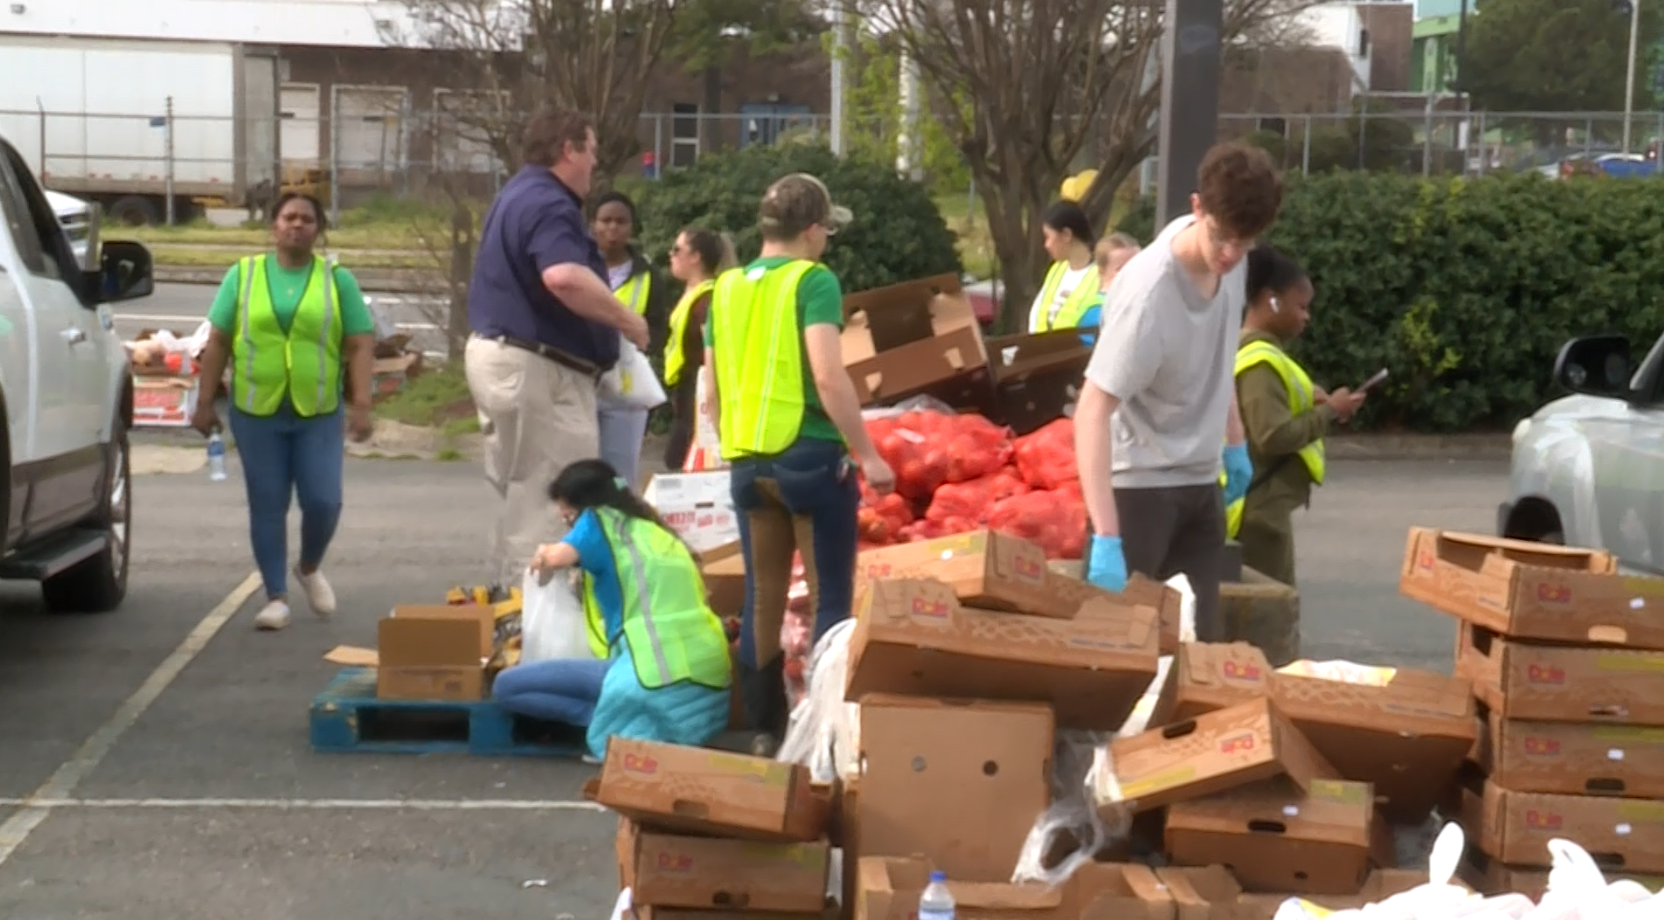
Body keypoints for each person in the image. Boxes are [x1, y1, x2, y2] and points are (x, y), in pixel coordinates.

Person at [703, 173, 896, 754]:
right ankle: (823, 735)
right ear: (812, 230)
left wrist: (733, 442)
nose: (828, 242)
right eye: (827, 231)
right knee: (828, 598)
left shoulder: (726, 289)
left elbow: (709, 392)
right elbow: (827, 374)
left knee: (761, 596)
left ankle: (765, 732)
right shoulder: (814, 282)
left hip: (747, 465)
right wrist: (868, 454)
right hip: (811, 459)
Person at [1074, 142, 1284, 642]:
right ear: (1197, 208)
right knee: (1123, 651)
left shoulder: (1231, 267)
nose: (1230, 254)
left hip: (1199, 482)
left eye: (1245, 242)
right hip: (1137, 489)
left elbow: (1219, 355)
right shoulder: (1148, 296)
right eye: (1221, 238)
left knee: (1198, 651)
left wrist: (1234, 442)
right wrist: (1107, 534)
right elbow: (1091, 410)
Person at [463, 106, 650, 589]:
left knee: (518, 491)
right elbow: (563, 276)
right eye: (590, 151)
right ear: (568, 149)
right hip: (538, 365)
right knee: (556, 495)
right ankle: (541, 622)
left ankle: (511, 602)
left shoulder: (516, 194)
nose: (594, 164)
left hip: (503, 354)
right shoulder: (549, 203)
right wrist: (626, 319)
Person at [190, 192, 377, 631]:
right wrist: (203, 403)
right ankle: (276, 596)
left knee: (323, 501)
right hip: (257, 410)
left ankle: (308, 566)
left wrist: (363, 405)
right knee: (268, 503)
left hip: (317, 409)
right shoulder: (244, 274)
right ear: (273, 226)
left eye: (307, 219)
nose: (297, 225)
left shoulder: (337, 279)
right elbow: (217, 341)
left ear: (319, 228)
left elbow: (360, 343)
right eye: (288, 217)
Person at [495, 460, 732, 762]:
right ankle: (633, 717)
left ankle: (609, 721)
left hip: (648, 674)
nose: (562, 516)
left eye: (565, 510)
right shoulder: (654, 531)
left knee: (508, 686)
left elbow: (554, 559)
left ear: (582, 505)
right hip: (704, 689)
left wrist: (542, 552)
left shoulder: (598, 522)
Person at [1227, 245, 1366, 592]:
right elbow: (1271, 435)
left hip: (1259, 508)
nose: (1306, 318)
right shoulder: (1261, 359)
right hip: (1259, 515)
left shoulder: (1254, 351)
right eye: (1301, 306)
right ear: (1271, 300)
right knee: (1269, 609)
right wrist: (1330, 411)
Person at [591, 191, 673, 490]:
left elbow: (658, 328)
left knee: (619, 474)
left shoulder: (647, 275)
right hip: (581, 378)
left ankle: (616, 531)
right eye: (606, 221)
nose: (613, 228)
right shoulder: (579, 266)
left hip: (625, 386)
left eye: (621, 221)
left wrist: (637, 342)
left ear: (631, 227)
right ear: (593, 225)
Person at [661, 227, 737, 471]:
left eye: (677, 249)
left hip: (701, 391)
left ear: (695, 257)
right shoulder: (693, 294)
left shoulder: (707, 298)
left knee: (684, 460)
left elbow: (716, 349)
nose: (670, 255)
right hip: (686, 389)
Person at [1027, 201, 1100, 333]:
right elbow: (1036, 315)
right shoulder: (1056, 270)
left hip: (1078, 352)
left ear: (1066, 235)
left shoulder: (1100, 275)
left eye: (1048, 237)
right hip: (1045, 350)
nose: (1046, 245)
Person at [1076, 232, 1142, 346]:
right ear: (1102, 271)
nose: (1132, 273)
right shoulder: (1097, 311)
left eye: (1137, 266)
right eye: (1121, 269)